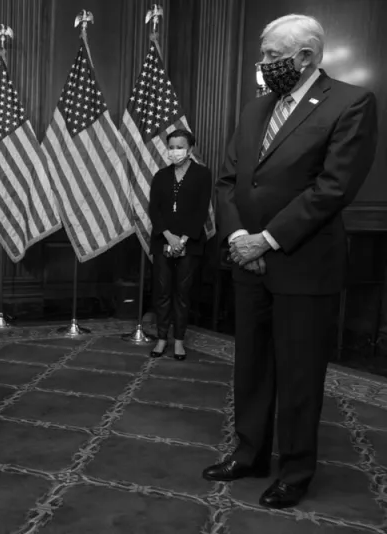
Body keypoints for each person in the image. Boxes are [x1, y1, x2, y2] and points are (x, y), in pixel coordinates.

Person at [202, 14, 378, 509]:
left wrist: (268, 240)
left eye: (271, 57)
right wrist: (240, 236)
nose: (263, 66)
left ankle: (296, 470)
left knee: (300, 373)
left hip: (303, 262)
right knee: (252, 367)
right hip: (247, 259)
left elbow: (333, 188)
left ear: (306, 57)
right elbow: (230, 180)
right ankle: (250, 454)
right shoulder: (256, 108)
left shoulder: (351, 102)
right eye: (262, 57)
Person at [148, 129, 212, 361]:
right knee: (162, 292)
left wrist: (183, 239)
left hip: (191, 242)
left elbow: (201, 210)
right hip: (162, 241)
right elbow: (154, 209)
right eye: (171, 147)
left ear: (190, 149)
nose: (174, 151)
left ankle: (179, 341)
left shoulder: (202, 174)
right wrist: (169, 237)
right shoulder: (161, 176)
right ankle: (162, 338)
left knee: (182, 294)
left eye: (179, 147)